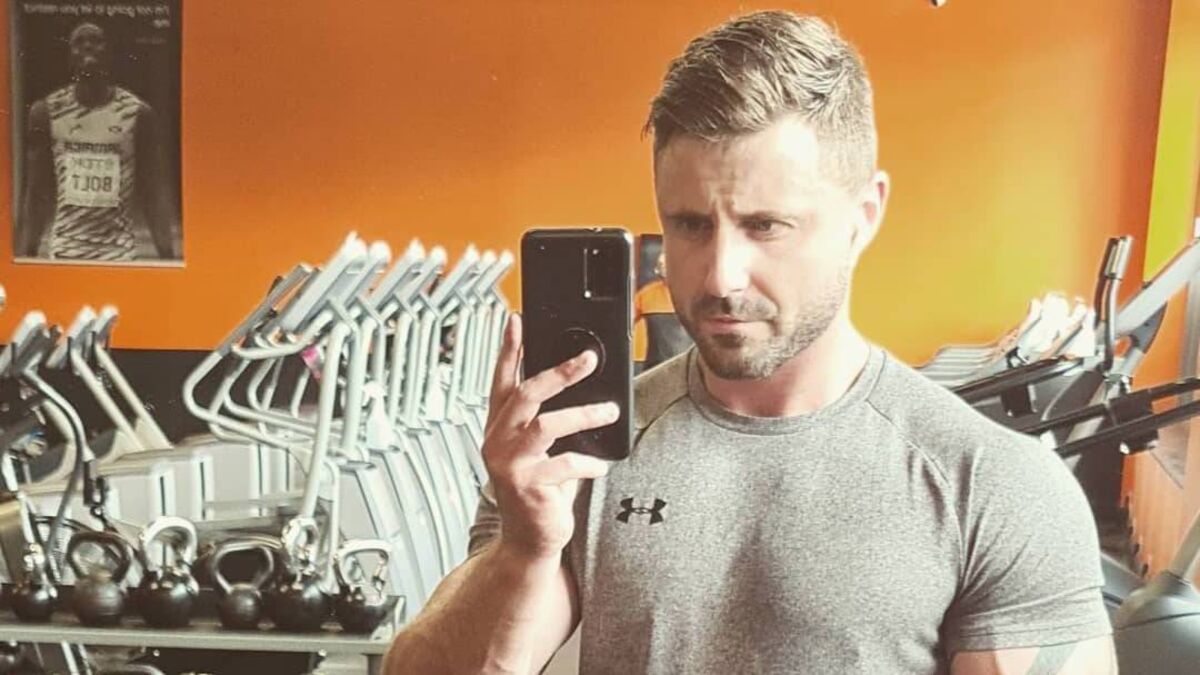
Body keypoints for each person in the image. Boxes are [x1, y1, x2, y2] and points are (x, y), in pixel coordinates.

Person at [386, 11, 1115, 674]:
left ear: (863, 216)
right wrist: (525, 547)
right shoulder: (581, 451)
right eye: (690, 225)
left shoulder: (992, 486)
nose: (719, 275)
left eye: (765, 226)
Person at [17, 22, 179, 262]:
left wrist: (168, 258)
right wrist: (27, 256)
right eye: (79, 42)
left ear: (110, 53)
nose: (88, 46)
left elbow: (153, 191)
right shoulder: (47, 111)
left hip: (120, 255)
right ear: (69, 56)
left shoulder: (137, 113)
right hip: (65, 253)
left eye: (96, 40)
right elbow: (36, 189)